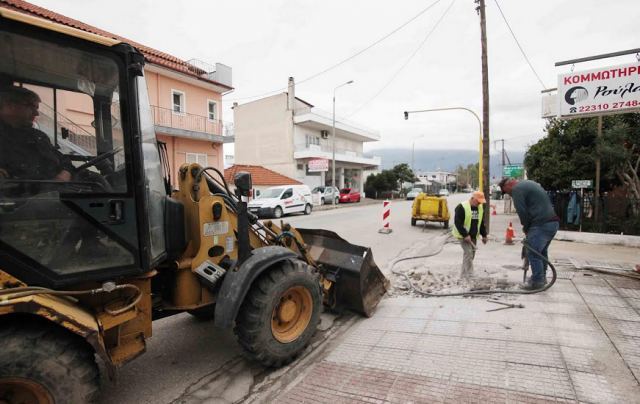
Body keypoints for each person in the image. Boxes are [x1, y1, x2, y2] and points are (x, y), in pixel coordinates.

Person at [0, 86, 73, 182]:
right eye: (31, 107)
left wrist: (65, 173)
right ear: (10, 105)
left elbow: (64, 160)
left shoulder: (38, 136)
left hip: (57, 192)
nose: (36, 113)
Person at [499, 178, 560, 290]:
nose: (508, 194)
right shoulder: (528, 184)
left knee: (533, 253)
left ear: (508, 185)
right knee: (541, 252)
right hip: (552, 223)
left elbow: (522, 212)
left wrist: (526, 228)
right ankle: (541, 278)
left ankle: (537, 282)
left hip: (541, 224)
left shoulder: (517, 189)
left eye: (506, 191)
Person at [452, 191, 488, 279]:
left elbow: (481, 222)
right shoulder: (462, 207)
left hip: (473, 235)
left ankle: (463, 275)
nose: (479, 203)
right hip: (462, 235)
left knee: (471, 255)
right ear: (473, 198)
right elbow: (458, 222)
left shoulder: (480, 208)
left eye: (481, 201)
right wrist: (465, 235)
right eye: (478, 201)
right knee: (468, 254)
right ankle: (470, 275)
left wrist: (484, 235)